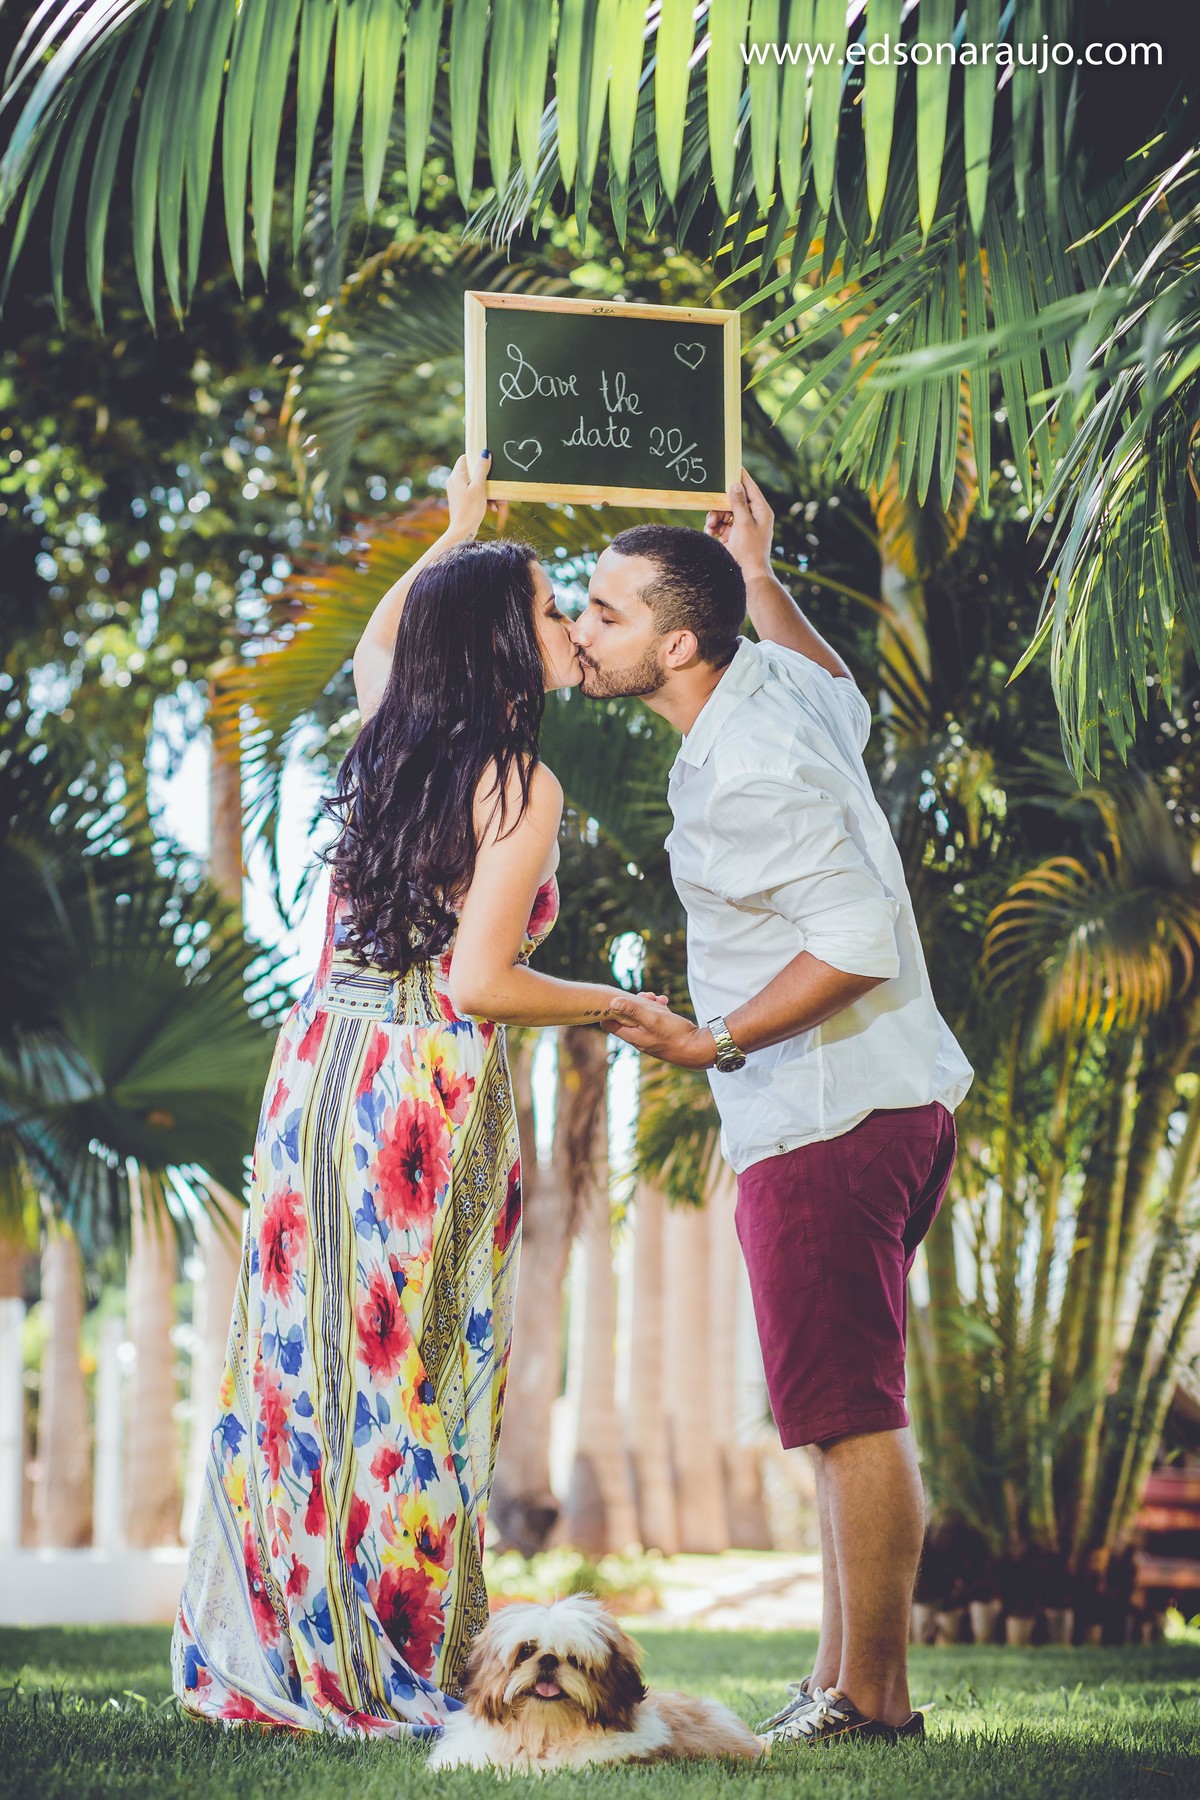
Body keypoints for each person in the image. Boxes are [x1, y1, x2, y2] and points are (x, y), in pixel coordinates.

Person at [172, 451, 654, 1736]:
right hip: (418, 1097)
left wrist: (455, 532)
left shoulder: (393, 736)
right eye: (552, 608)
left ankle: (287, 1639)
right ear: (506, 644)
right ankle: (387, 1649)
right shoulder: (521, 785)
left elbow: (383, 641)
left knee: (300, 1361)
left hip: (318, 1068)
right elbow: (485, 980)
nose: (566, 625)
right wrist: (622, 1006)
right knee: (408, 1372)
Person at [588, 472, 974, 1747]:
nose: (578, 628)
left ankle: (876, 1703)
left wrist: (717, 1038)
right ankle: (837, 1682)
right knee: (835, 1412)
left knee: (852, 1416)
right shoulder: (767, 689)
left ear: (674, 645)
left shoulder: (741, 765)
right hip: (889, 1100)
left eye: (602, 611)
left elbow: (857, 936)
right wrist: (759, 568)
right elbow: (847, 698)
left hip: (826, 1117)